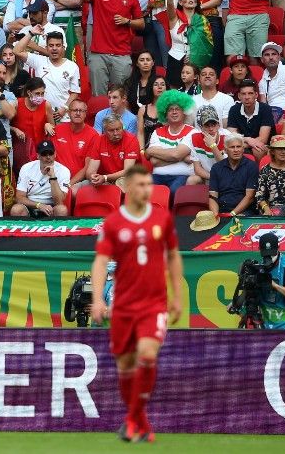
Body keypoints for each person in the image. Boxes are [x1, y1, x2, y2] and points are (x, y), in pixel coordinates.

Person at [91, 165, 184, 443]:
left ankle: (131, 422)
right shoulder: (113, 223)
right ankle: (140, 421)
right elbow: (100, 262)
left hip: (153, 303)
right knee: (126, 364)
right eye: (141, 184)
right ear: (128, 188)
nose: (147, 189)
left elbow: (173, 256)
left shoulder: (162, 218)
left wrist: (177, 296)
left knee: (147, 355)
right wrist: (97, 298)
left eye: (149, 184)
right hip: (123, 305)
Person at [77, 0, 144, 96]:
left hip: (121, 54)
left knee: (120, 95)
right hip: (98, 54)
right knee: (99, 96)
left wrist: (127, 21)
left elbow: (141, 23)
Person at [14, 28, 79, 122]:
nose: (54, 48)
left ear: (63, 47)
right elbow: (16, 51)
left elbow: (75, 92)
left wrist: (64, 108)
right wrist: (31, 33)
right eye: (51, 45)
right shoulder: (39, 61)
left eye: (58, 45)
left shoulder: (72, 66)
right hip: (40, 114)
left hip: (61, 116)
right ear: (46, 47)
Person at [145, 91, 196, 193]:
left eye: (177, 109)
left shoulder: (192, 132)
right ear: (165, 114)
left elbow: (176, 155)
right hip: (157, 176)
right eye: (170, 110)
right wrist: (183, 158)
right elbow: (154, 161)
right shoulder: (157, 132)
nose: (174, 112)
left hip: (182, 176)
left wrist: (150, 151)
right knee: (145, 189)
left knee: (174, 190)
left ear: (184, 112)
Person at [11, 140, 70, 217]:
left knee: (62, 210)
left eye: (51, 153)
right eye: (44, 154)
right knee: (16, 210)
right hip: (31, 205)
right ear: (38, 156)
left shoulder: (63, 170)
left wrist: (53, 177)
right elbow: (19, 198)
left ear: (55, 154)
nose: (48, 157)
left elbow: (59, 201)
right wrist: (39, 205)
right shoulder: (26, 168)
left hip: (51, 206)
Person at [54, 99, 100, 190]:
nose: (78, 113)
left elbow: (87, 168)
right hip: (55, 179)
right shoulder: (57, 130)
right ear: (68, 112)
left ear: (85, 113)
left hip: (76, 182)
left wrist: (68, 185)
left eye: (81, 111)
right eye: (75, 110)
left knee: (73, 192)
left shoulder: (93, 135)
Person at [86, 113, 140, 189]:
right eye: (111, 130)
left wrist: (105, 178)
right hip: (104, 180)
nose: (116, 133)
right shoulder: (99, 140)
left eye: (118, 129)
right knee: (75, 190)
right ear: (104, 131)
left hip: (125, 179)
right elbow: (90, 170)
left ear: (122, 127)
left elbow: (128, 171)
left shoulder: (131, 140)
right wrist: (93, 177)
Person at [208, 134, 259, 214]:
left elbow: (250, 197)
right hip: (222, 210)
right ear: (225, 150)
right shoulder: (216, 168)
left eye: (238, 147)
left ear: (243, 149)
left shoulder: (251, 166)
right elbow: (213, 197)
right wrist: (215, 215)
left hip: (245, 211)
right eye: (232, 147)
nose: (236, 150)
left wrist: (232, 214)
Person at [256, 135, 285, 216]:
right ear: (272, 151)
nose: (283, 152)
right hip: (269, 209)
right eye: (279, 148)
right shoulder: (265, 169)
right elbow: (260, 194)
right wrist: (267, 210)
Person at [227, 79, 275, 160]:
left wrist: (241, 145)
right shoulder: (234, 109)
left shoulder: (265, 108)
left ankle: (258, 172)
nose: (247, 97)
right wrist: (247, 139)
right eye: (243, 94)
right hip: (243, 143)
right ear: (239, 96)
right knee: (227, 150)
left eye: (250, 93)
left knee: (258, 149)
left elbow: (263, 139)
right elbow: (231, 136)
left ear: (256, 95)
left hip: (264, 145)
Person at [258, 41, 285, 122]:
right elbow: (263, 105)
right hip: (271, 116)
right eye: (267, 55)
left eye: (274, 54)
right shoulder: (262, 81)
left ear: (279, 57)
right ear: (262, 60)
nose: (271, 57)